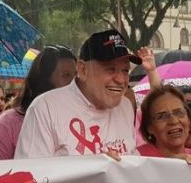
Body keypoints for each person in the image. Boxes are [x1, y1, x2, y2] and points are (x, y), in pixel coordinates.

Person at [15, 29, 141, 158]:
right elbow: (31, 169)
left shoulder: (125, 107)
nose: (121, 80)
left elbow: (133, 161)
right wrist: (98, 165)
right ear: (82, 70)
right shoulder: (45, 108)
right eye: (110, 69)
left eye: (125, 70)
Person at [0, 45, 77, 161]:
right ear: (44, 81)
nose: (75, 83)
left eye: (76, 76)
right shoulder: (9, 124)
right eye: (66, 75)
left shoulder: (80, 120)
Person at [137, 85, 191, 171]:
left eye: (179, 113)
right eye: (162, 116)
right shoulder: (137, 158)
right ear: (149, 127)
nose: (174, 121)